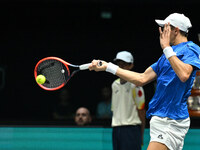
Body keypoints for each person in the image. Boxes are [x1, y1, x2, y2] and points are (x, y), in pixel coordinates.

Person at [89, 13, 200, 150]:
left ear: (176, 30)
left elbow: (184, 75)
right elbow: (141, 79)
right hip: (160, 118)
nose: (161, 31)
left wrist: (166, 48)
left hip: (171, 120)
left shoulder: (191, 48)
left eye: (165, 28)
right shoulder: (165, 57)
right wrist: (108, 67)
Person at [111, 51, 146, 150]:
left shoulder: (136, 86)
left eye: (124, 64)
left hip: (131, 129)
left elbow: (141, 112)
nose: (120, 67)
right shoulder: (114, 85)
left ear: (131, 66)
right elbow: (114, 110)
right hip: (116, 129)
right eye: (119, 64)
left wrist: (141, 135)